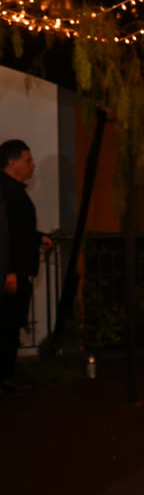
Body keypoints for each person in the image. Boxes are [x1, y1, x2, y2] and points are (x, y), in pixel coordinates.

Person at [0, 139, 52, 394]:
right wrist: (7, 270)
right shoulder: (5, 190)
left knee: (11, 325)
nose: (32, 166)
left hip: (17, 272)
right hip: (11, 274)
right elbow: (4, 233)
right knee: (7, 326)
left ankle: (7, 375)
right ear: (11, 162)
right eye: (27, 160)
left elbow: (18, 230)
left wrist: (37, 237)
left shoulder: (13, 190)